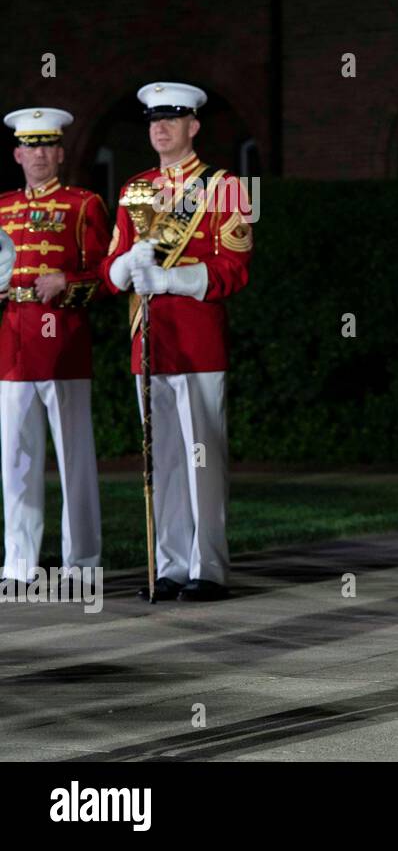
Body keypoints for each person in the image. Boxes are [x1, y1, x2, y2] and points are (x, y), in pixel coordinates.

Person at [100, 82, 253, 602]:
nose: (159, 128)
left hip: (198, 339)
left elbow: (236, 270)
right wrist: (124, 267)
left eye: (171, 118)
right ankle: (167, 564)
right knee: (159, 458)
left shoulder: (226, 187)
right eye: (152, 120)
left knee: (202, 456)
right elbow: (109, 269)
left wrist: (171, 279)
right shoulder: (135, 189)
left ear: (194, 126)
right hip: (149, 340)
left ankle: (207, 567)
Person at [0, 108, 109, 583]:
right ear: (18, 153)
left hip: (64, 340)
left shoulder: (84, 204)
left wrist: (67, 281)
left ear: (61, 152)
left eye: (49, 146)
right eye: (32, 146)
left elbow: (107, 276)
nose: (40, 154)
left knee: (74, 459)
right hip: (13, 343)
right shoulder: (1, 206)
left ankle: (82, 564)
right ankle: (19, 565)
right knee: (16, 460)